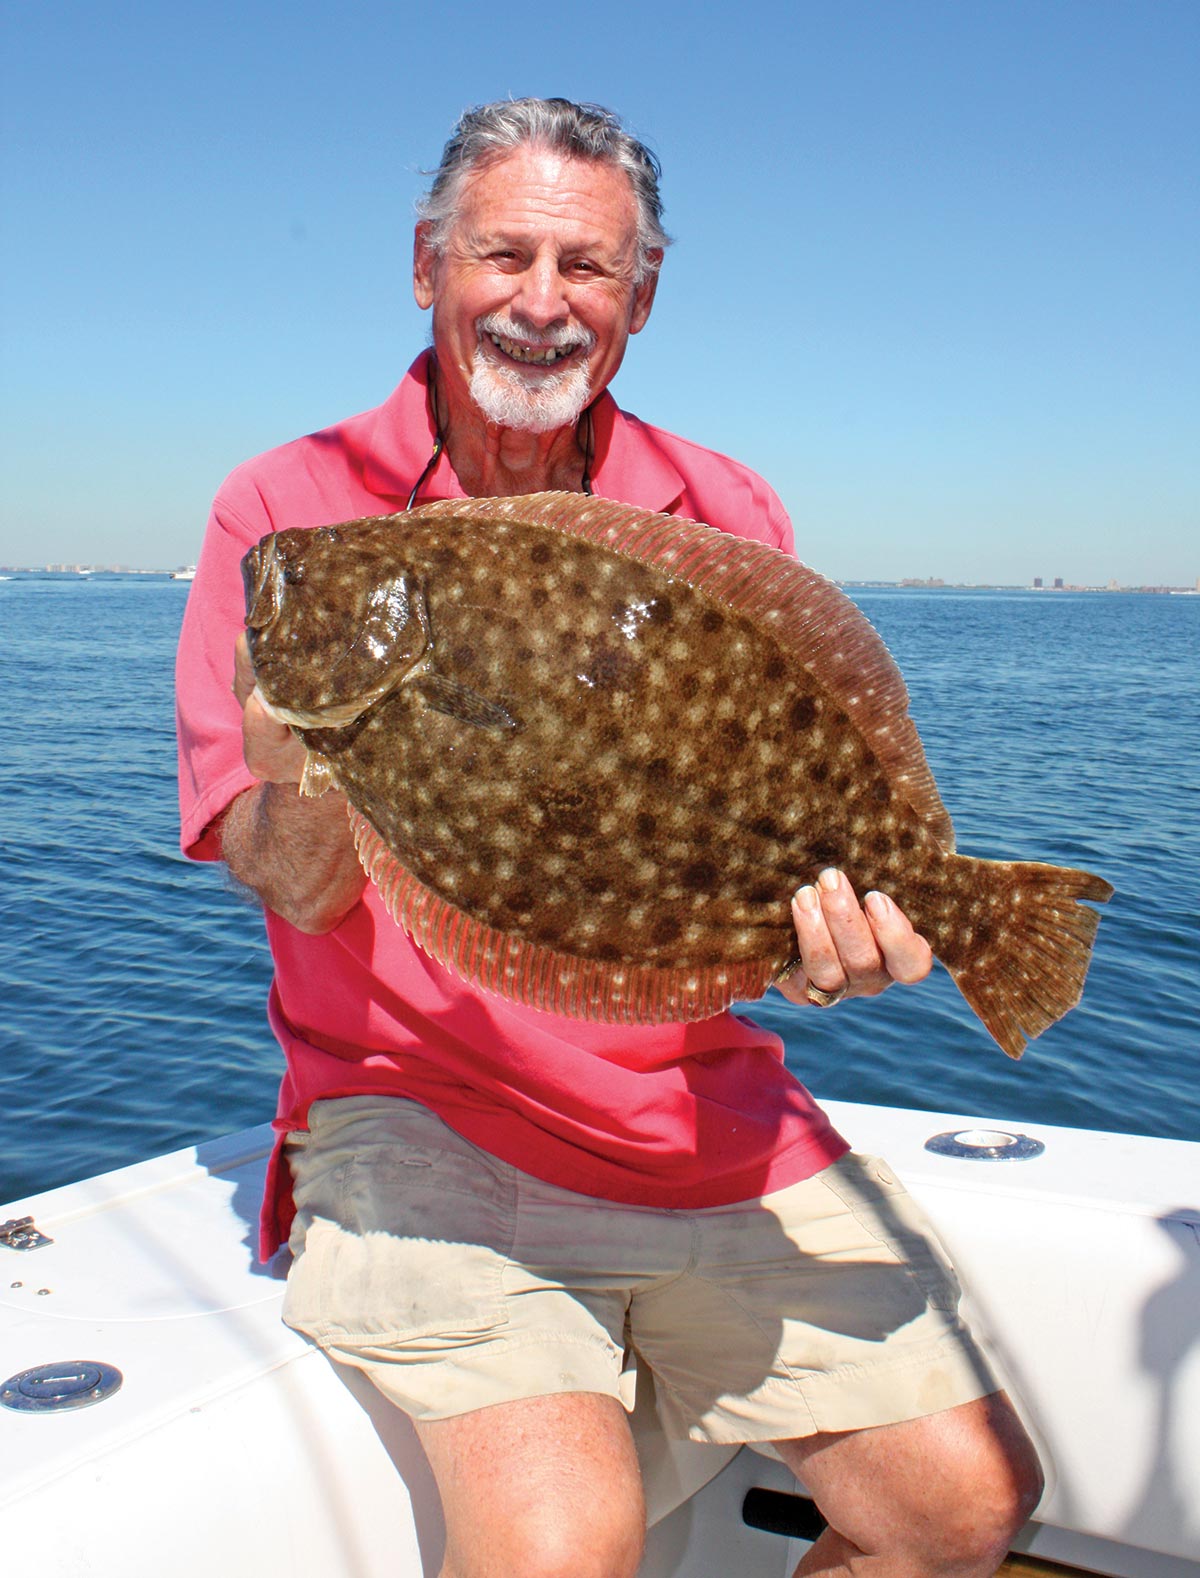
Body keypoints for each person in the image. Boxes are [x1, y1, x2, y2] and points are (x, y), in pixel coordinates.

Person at [177, 97, 1042, 1578]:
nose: (538, 300)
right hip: (417, 1118)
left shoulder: (721, 508)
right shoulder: (285, 508)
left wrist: (827, 950)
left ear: (641, 295)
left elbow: (721, 892)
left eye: (584, 267)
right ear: (425, 265)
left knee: (966, 1504)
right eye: (501, 253)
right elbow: (295, 878)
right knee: (559, 1541)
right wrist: (296, 765)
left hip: (705, 1115)